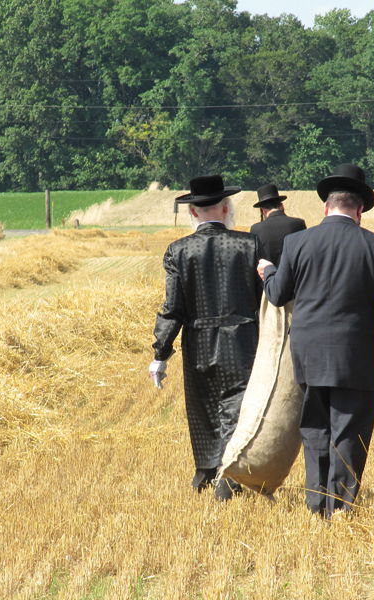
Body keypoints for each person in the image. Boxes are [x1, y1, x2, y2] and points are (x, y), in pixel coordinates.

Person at [257, 164, 374, 517]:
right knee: (349, 429)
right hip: (355, 358)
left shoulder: (296, 242)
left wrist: (268, 271)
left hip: (308, 354)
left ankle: (316, 505)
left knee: (315, 428)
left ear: (325, 207)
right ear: (359, 209)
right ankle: (341, 507)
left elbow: (278, 294)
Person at [150, 174, 262, 501]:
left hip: (198, 344)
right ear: (227, 208)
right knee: (236, 410)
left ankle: (209, 473)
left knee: (204, 412)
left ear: (193, 213)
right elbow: (265, 301)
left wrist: (160, 353)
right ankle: (227, 475)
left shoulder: (178, 251)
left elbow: (173, 308)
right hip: (243, 343)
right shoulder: (249, 245)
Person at [249, 183, 306, 266]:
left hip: (267, 276)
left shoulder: (256, 229)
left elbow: (254, 261)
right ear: (282, 206)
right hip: (294, 278)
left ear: (263, 210)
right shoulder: (299, 224)